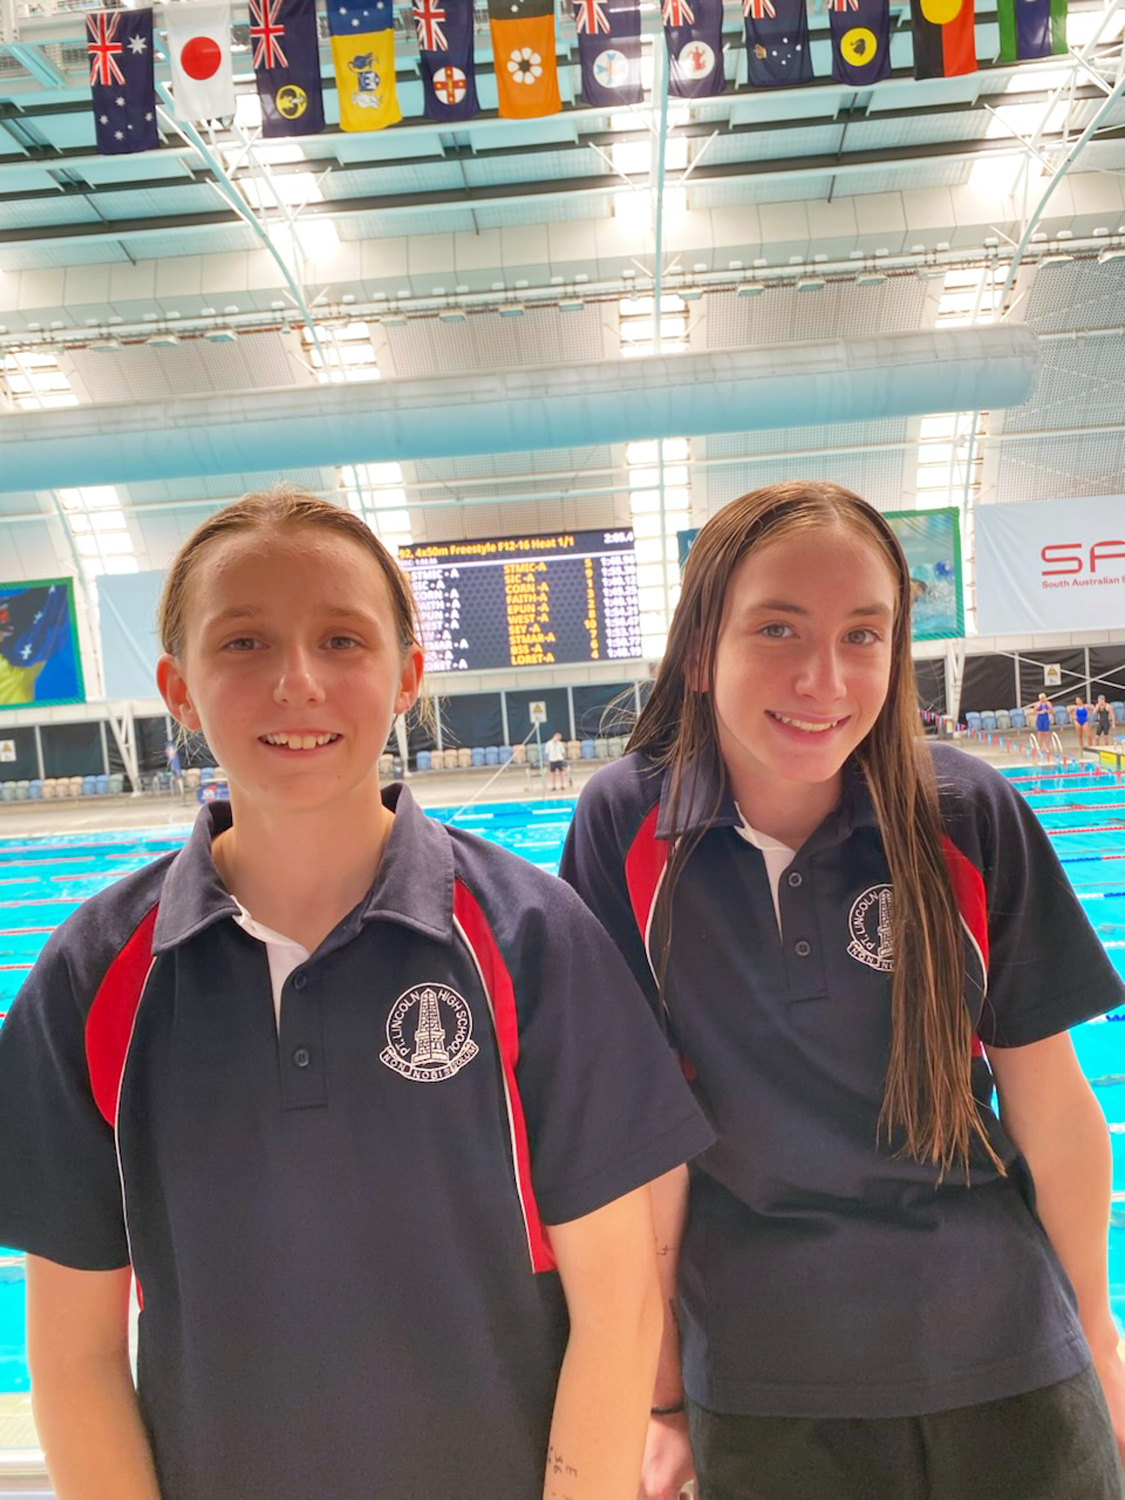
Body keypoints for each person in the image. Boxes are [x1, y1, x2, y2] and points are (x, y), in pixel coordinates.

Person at [0, 487, 713, 1500]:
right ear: (179, 688)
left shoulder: (531, 940)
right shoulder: (93, 977)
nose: (297, 682)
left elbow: (620, 1309)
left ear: (406, 675)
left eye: (341, 640)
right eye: (244, 643)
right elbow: (74, 1356)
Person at [560, 481, 1125, 1500]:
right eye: (778, 628)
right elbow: (639, 1147)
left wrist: (1096, 1333)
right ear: (701, 650)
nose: (823, 679)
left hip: (1008, 1356)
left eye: (862, 635)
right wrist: (661, 1396)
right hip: (765, 1385)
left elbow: (1049, 1101)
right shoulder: (628, 828)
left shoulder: (963, 811)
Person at [1030, 690, 1054, 757]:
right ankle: (1040, 747)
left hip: (1046, 719)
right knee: (1040, 733)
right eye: (1042, 698)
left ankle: (1047, 747)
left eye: (1044, 698)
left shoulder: (1048, 703)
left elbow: (1052, 711)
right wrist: (1040, 712)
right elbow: (1034, 712)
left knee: (1047, 733)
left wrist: (1047, 711)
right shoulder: (1037, 704)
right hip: (1040, 719)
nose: (1043, 699)